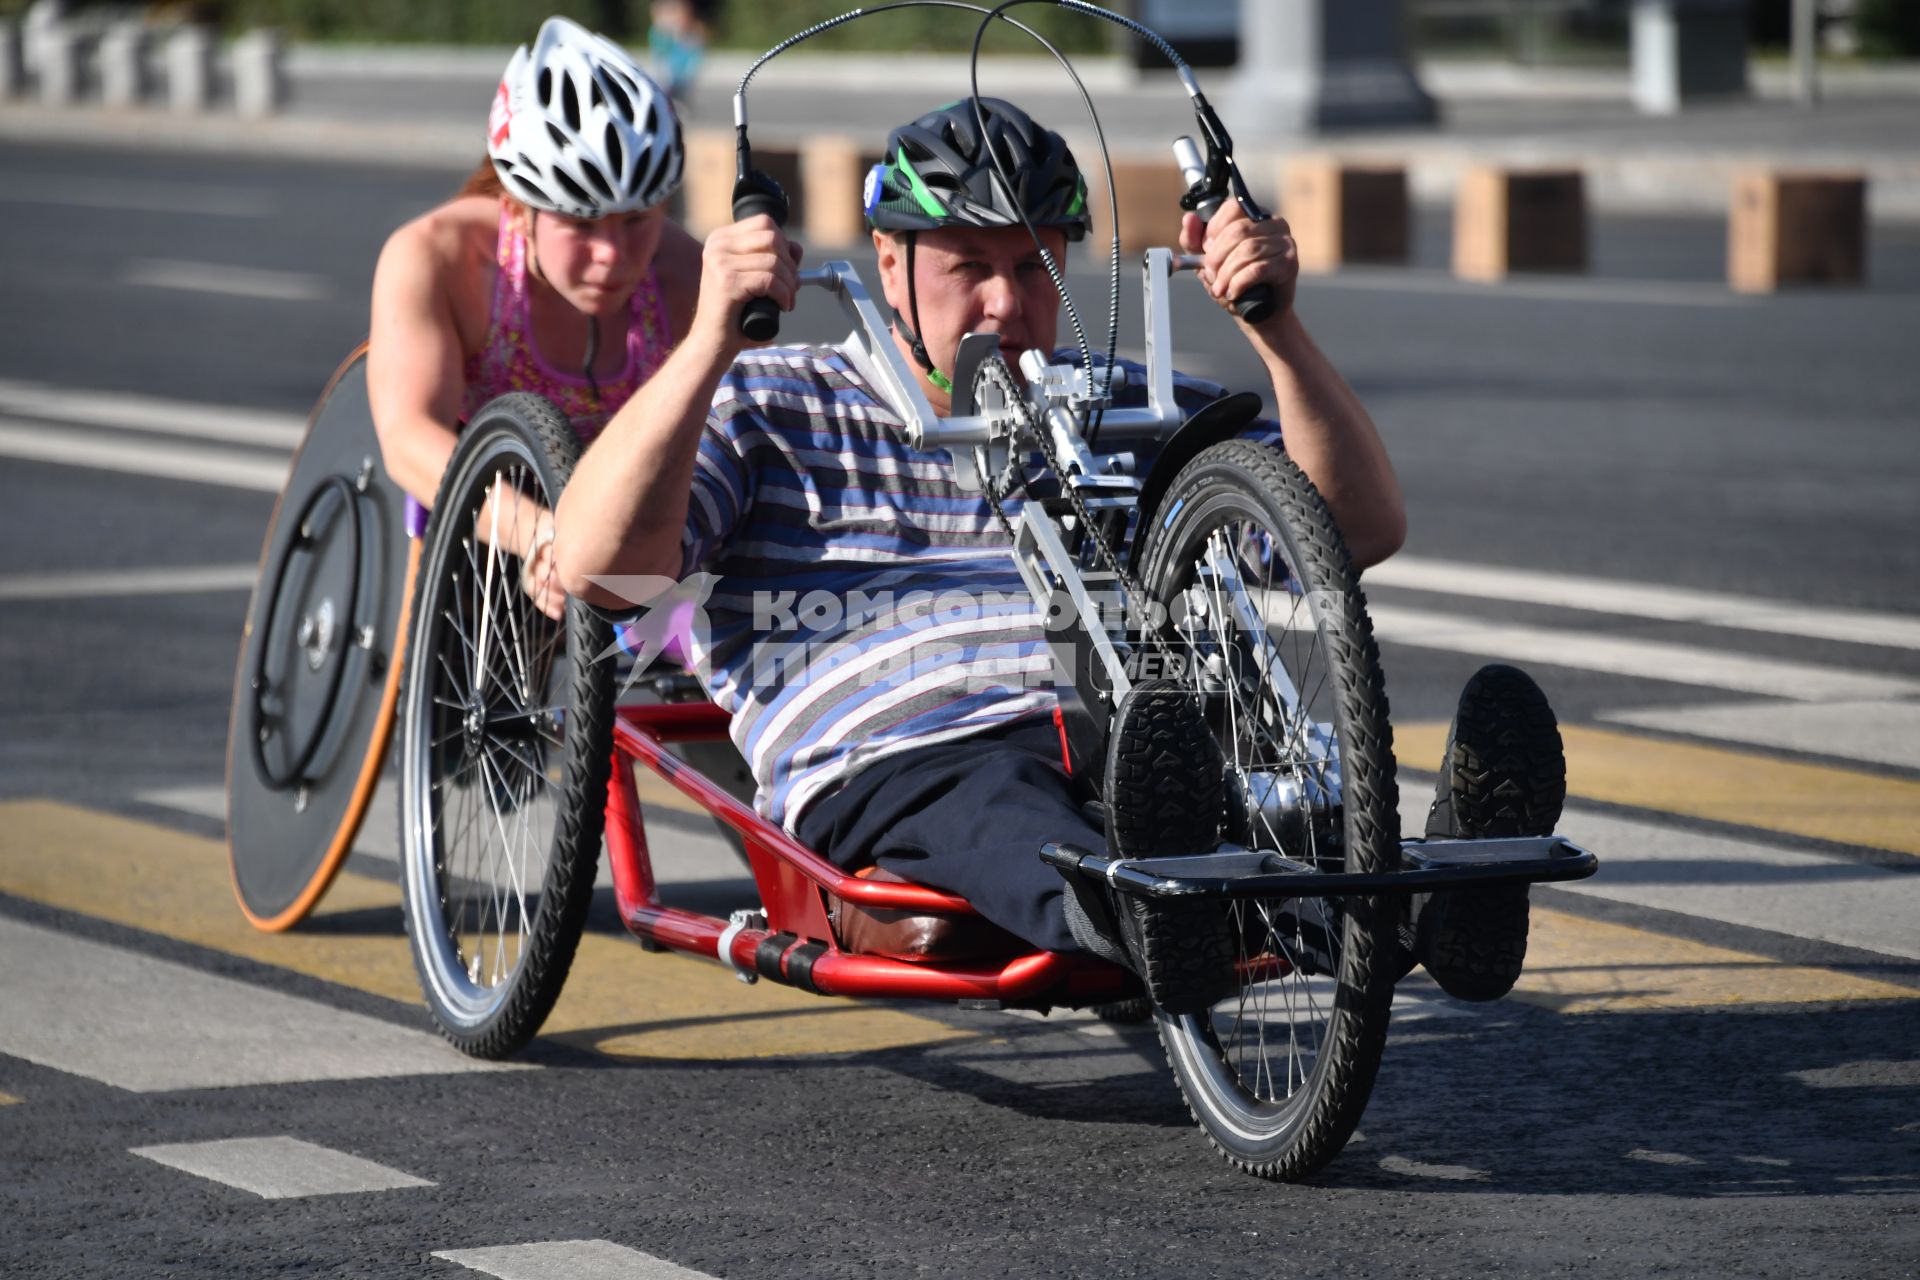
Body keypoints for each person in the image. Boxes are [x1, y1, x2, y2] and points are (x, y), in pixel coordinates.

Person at [553, 98, 1563, 1006]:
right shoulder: (774, 400)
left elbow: (1350, 530)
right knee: (1011, 804)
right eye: (969, 269)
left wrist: (1279, 329)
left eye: (1034, 267)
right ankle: (1161, 916)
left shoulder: (1119, 396)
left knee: (1254, 780)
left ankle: (1438, 908)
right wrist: (705, 346)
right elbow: (603, 569)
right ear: (888, 261)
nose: (1005, 304)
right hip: (914, 753)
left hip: (1133, 723)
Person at [368, 15, 700, 619]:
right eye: (580, 224)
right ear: (518, 210)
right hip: (488, 519)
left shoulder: (685, 274)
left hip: (623, 522)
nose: (613, 256)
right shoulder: (438, 258)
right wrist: (542, 535)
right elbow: (409, 438)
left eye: (637, 221)